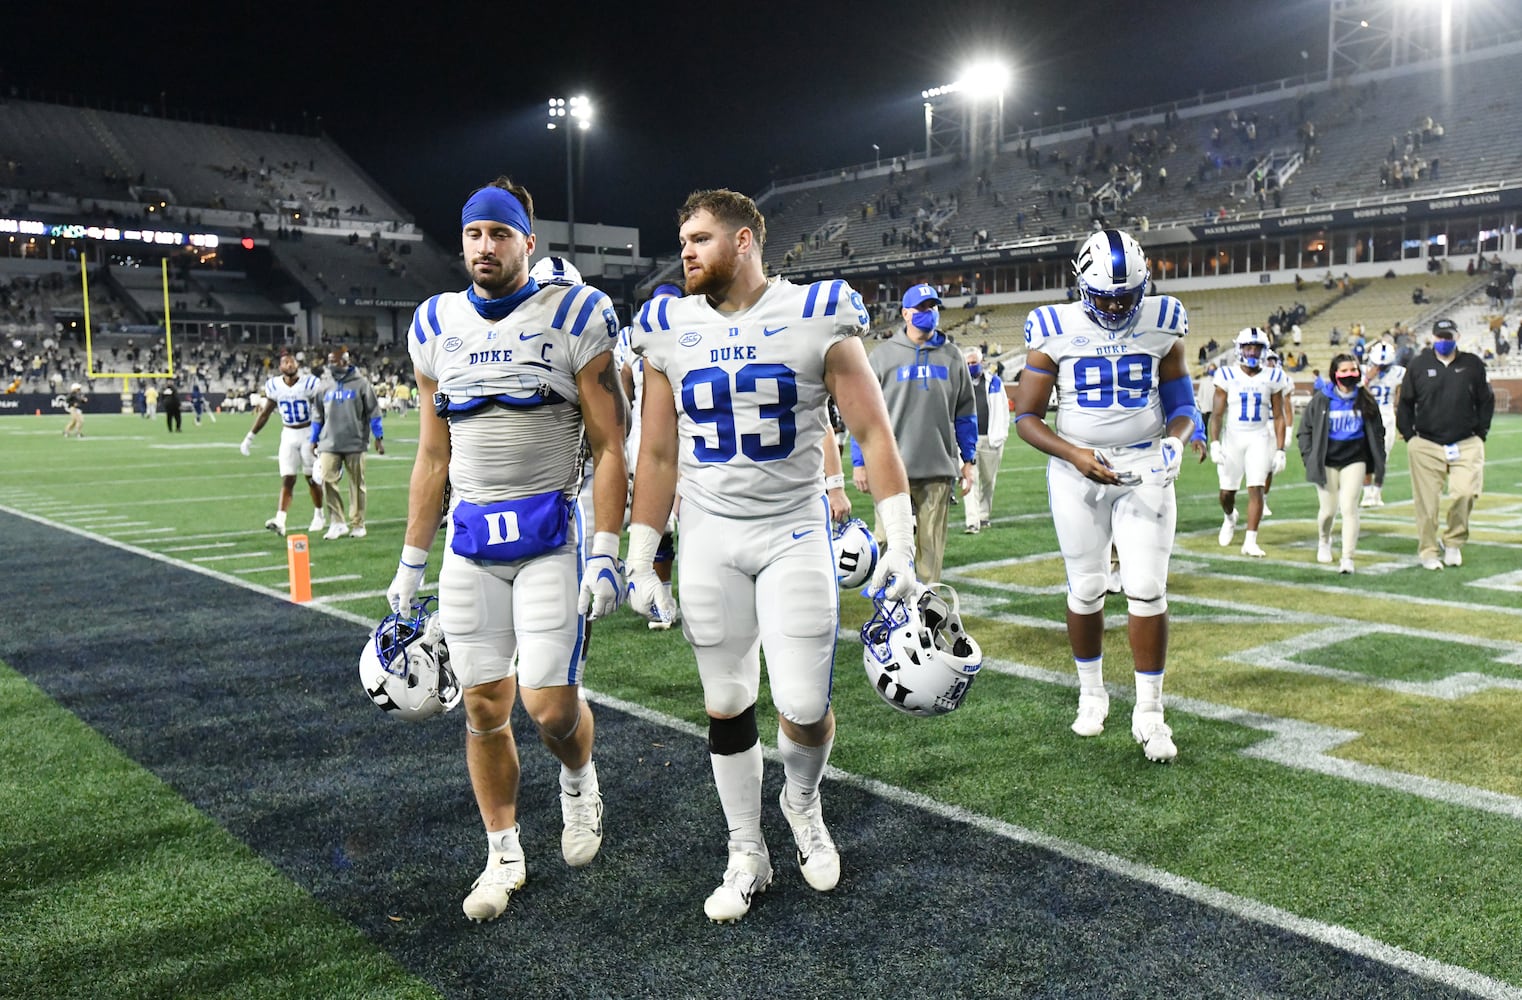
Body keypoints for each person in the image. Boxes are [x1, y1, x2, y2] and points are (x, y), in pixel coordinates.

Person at [626, 188, 916, 923]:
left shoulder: (815, 312)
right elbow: (657, 452)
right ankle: (745, 850)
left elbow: (874, 434)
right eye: (682, 238)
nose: (685, 251)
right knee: (726, 703)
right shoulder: (666, 325)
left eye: (699, 238)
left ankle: (803, 803)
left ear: (746, 240)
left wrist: (901, 542)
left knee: (805, 706)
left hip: (794, 531)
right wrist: (640, 553)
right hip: (711, 537)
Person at [384, 177, 627, 924]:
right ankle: (503, 853)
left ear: (529, 241)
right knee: (484, 707)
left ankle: (580, 780)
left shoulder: (576, 313)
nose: (485, 246)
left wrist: (611, 547)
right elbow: (432, 457)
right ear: (462, 243)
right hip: (470, 543)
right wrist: (409, 562)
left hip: (551, 534)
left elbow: (612, 442)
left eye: (500, 233)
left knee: (548, 705)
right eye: (473, 234)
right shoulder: (434, 325)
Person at [1009, 228, 1206, 764]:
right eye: (1106, 297)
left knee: (1146, 587)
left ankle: (1151, 712)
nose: (1117, 307)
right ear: (1080, 286)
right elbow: (1026, 417)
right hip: (1077, 470)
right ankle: (1092, 692)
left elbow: (1183, 405)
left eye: (1127, 296)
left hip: (1144, 464)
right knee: (1088, 588)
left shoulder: (1163, 321)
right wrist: (1075, 455)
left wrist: (1176, 441)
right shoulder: (1053, 326)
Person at [850, 283, 976, 584]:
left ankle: (923, 615)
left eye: (932, 308)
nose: (928, 313)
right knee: (886, 542)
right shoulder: (882, 357)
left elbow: (966, 414)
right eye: (921, 308)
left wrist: (968, 460)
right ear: (905, 313)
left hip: (938, 470)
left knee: (930, 554)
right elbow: (862, 414)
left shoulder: (953, 356)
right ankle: (889, 613)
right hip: (890, 469)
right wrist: (859, 462)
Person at [1396, 318, 1494, 569]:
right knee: (1427, 503)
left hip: (1466, 441)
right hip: (1426, 443)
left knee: (1465, 493)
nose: (1443, 341)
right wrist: (1409, 436)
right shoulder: (1418, 365)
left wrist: (1480, 432)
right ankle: (1428, 550)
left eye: (1448, 336)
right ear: (1433, 338)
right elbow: (1405, 402)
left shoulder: (1472, 364)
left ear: (1457, 337)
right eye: (1439, 337)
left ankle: (1452, 541)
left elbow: (1486, 399)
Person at [1297, 354, 1384, 574]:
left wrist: (1376, 460)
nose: (1349, 375)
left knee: (1349, 507)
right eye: (1343, 371)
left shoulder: (1366, 399)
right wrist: (1310, 457)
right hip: (1327, 460)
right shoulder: (1322, 399)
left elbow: (1377, 432)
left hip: (1355, 459)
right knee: (1328, 511)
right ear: (1334, 374)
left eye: (1353, 370)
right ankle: (1324, 540)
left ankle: (1347, 558)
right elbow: (1305, 430)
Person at [1208, 328, 1291, 557]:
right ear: (1240, 348)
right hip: (1233, 437)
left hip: (1259, 437)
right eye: (1248, 347)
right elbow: (1216, 414)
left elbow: (1279, 414)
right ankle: (1229, 516)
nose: (1253, 351)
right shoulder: (1226, 375)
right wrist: (1214, 443)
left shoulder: (1273, 376)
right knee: (1226, 493)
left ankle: (1250, 540)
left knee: (1257, 488)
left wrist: (1281, 449)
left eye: (1257, 347)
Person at [241, 351, 326, 536]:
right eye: (285, 362)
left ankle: (319, 514)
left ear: (296, 365)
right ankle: (280, 520)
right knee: (287, 478)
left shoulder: (310, 383)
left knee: (312, 478)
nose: (289, 365)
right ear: (280, 367)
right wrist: (250, 436)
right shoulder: (274, 385)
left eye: (292, 362)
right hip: (288, 433)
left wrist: (320, 436)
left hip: (308, 431)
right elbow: (265, 413)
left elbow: (321, 410)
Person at [312, 346, 384, 540]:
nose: (330, 365)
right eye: (329, 361)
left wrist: (379, 437)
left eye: (334, 361)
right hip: (329, 442)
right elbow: (318, 414)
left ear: (345, 361)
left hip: (355, 441)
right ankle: (337, 522)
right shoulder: (324, 385)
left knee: (356, 484)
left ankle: (358, 523)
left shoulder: (361, 384)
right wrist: (313, 438)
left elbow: (374, 413)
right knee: (327, 479)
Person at [961, 345, 1010, 534]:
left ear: (981, 362)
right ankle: (972, 521)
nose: (972, 366)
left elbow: (1004, 409)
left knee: (989, 481)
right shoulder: (960, 383)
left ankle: (984, 515)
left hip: (990, 439)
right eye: (968, 363)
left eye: (974, 362)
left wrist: (1001, 435)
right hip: (968, 442)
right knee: (969, 480)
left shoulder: (994, 382)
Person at [1360, 342, 1405, 507]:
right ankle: (1366, 494)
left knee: (1381, 459)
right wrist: (1367, 379)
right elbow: (1353, 392)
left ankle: (1377, 494)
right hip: (1366, 416)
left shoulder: (1398, 373)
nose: (1380, 367)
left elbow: (1400, 398)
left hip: (1386, 417)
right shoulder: (1362, 371)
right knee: (1365, 457)